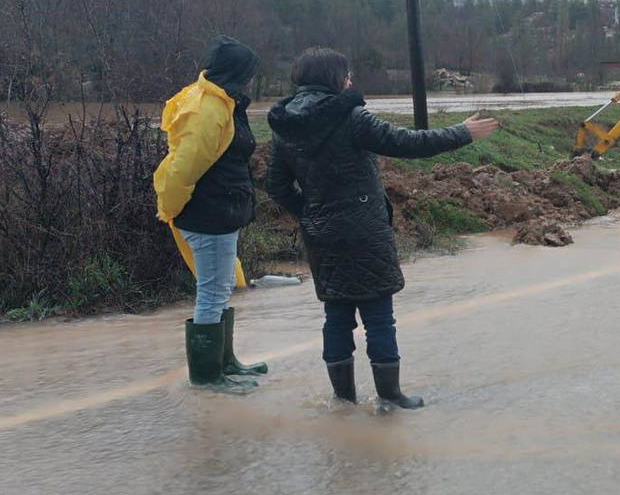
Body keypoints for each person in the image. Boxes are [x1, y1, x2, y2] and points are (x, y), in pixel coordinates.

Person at [266, 47, 500, 409]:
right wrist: (462, 132)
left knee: (336, 315)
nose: (351, 81)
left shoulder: (285, 127)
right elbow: (408, 143)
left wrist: (311, 212)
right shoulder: (352, 117)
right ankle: (389, 397)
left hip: (321, 234)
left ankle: (343, 400)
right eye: (347, 74)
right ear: (335, 79)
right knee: (378, 316)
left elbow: (277, 186)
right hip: (364, 230)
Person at [154, 35, 269, 395]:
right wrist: (171, 207)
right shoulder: (209, 108)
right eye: (249, 73)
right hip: (208, 212)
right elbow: (186, 166)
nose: (252, 80)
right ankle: (207, 376)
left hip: (221, 209)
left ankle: (223, 362)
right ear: (237, 73)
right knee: (212, 290)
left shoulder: (222, 101)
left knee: (218, 287)